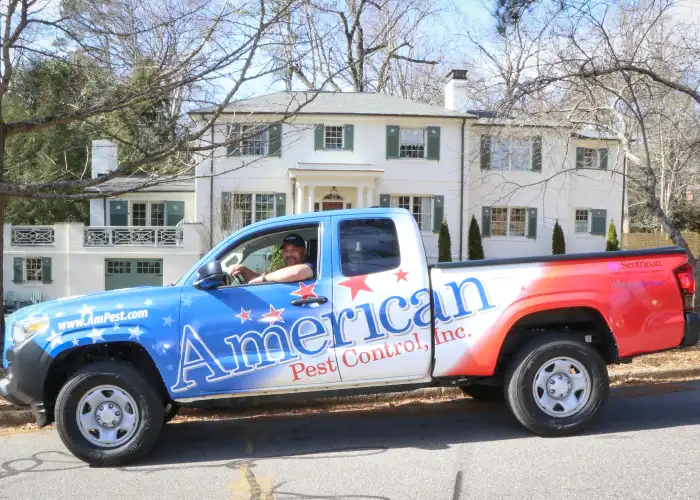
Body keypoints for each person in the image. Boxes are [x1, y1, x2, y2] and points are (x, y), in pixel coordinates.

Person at [228, 233, 316, 284]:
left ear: (304, 251)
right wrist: (243, 270)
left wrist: (263, 278)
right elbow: (261, 280)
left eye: (294, 250)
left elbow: (297, 272)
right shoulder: (283, 271)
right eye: (285, 250)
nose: (289, 254)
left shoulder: (312, 264)